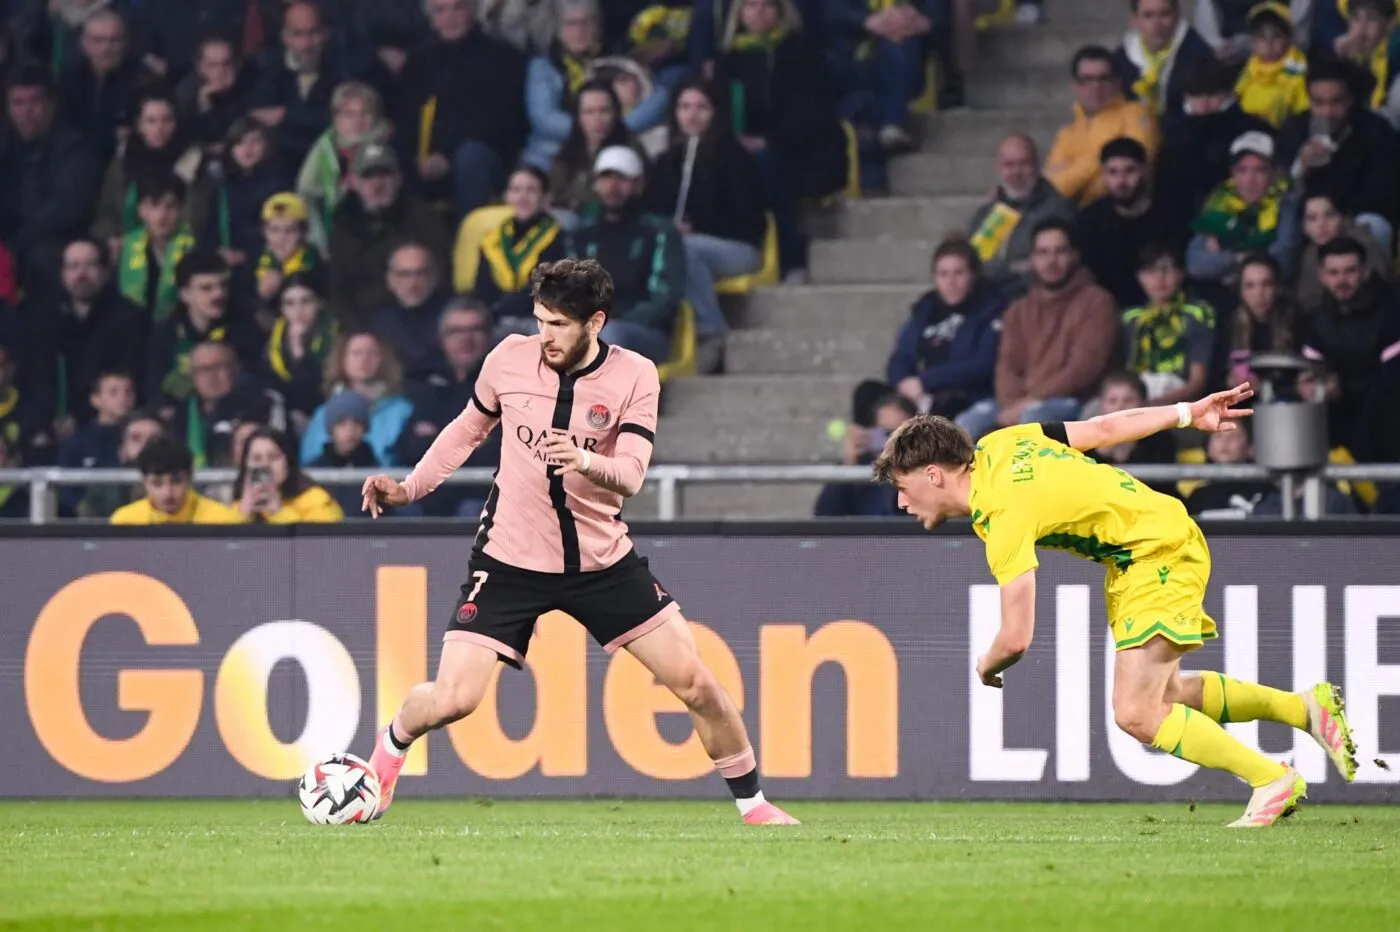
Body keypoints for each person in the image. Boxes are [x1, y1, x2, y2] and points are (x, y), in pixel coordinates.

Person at [359, 257, 798, 826]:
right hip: (509, 556)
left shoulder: (636, 374)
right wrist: (410, 487)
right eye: (540, 321)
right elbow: (468, 429)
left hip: (600, 560)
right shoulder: (507, 359)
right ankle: (388, 752)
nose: (545, 336)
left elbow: (634, 474)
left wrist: (585, 459)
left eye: (559, 324)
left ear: (595, 322)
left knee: (696, 682)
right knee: (453, 701)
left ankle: (755, 805)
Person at [871, 386, 1358, 826]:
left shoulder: (1001, 517)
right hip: (1138, 553)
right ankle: (1304, 709)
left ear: (933, 474)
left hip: (1154, 552)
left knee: (1136, 712)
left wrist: (986, 664)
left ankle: (1271, 778)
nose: (901, 503)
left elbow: (1016, 637)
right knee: (1171, 694)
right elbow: (1104, 430)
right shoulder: (1003, 442)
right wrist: (1187, 413)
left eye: (901, 487)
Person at [955, 220, 1119, 440]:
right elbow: (1007, 366)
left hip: (1075, 402)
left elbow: (1083, 369)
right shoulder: (1018, 309)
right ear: (1032, 259)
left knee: (1033, 420)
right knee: (964, 425)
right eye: (1042, 252)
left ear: (1074, 256)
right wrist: (1012, 404)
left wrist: (1029, 401)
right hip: (1017, 403)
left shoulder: (1097, 302)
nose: (1051, 261)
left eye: (1059, 251)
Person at [644, 78, 765, 369]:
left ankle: (711, 330)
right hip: (683, 245)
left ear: (715, 113)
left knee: (682, 248)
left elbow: (747, 218)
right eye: (685, 107)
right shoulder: (666, 161)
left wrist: (697, 226)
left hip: (737, 248)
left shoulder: (735, 158)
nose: (692, 114)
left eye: (701, 107)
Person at [564, 146, 685, 363]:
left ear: (638, 184)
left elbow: (665, 298)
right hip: (590, 329)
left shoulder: (659, 232)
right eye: (606, 178)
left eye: (622, 178)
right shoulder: (580, 236)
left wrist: (611, 319)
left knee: (609, 337)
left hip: (643, 333)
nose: (613, 186)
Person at [523, 0, 668, 170]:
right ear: (558, 30)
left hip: (618, 148)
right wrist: (598, 127)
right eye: (571, 24)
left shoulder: (619, 59)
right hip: (555, 150)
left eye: (586, 23)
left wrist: (618, 127)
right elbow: (544, 119)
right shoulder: (544, 67)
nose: (579, 31)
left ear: (597, 26)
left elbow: (661, 96)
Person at [1276, 57, 1400, 253]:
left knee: (1375, 227)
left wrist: (1337, 219)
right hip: (1308, 217)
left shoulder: (1375, 130)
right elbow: (1280, 189)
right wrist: (1301, 167)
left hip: (1356, 215)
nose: (1327, 112)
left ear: (1350, 99)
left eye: (1336, 102)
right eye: (1319, 103)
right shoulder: (1294, 129)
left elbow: (1384, 191)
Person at [886, 237, 1006, 419]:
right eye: (943, 274)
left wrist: (925, 381)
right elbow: (901, 356)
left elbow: (983, 365)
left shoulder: (991, 308)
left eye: (959, 273)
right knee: (869, 394)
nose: (951, 282)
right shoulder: (926, 309)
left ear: (973, 275)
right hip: (922, 395)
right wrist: (903, 382)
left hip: (969, 397)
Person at [1045, 46, 1159, 207]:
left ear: (1117, 82)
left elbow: (1131, 172)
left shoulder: (1136, 114)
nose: (1095, 87)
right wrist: (1101, 160)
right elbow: (1053, 188)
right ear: (1075, 86)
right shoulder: (1067, 133)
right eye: (1087, 79)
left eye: (1103, 78)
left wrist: (1073, 169)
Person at [968, 134, 1075, 298]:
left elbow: (1050, 269)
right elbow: (976, 267)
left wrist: (1005, 270)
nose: (1016, 172)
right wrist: (1014, 268)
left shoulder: (1059, 210)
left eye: (1024, 164)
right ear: (998, 168)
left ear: (1037, 166)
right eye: (1009, 165)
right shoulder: (987, 214)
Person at [1077, 137, 1169, 309]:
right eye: (1113, 172)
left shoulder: (1170, 216)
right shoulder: (1089, 219)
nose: (1121, 181)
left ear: (1144, 170)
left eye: (1129, 171)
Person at [299, 331, 414, 465]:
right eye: (356, 353)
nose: (364, 359)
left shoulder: (403, 412)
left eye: (372, 353)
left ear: (383, 360)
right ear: (342, 360)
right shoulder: (323, 414)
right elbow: (309, 461)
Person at [472, 165, 566, 328]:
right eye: (516, 190)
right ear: (507, 196)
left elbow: (549, 290)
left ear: (545, 197)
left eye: (531, 190)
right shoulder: (492, 240)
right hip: (495, 318)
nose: (523, 197)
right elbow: (481, 288)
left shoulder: (558, 237)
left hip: (540, 320)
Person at [1121, 244, 1216, 404]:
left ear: (1181, 273)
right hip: (1135, 397)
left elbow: (1197, 382)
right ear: (1139, 277)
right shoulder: (1131, 317)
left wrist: (1154, 405)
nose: (1159, 278)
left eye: (1167, 269)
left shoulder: (1197, 313)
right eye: (1151, 271)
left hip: (1183, 402)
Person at [814, 391, 914, 517]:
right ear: (872, 434)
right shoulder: (858, 470)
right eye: (886, 434)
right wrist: (847, 466)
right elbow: (823, 516)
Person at [1112, 0, 1215, 119]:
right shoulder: (1122, 58)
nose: (1157, 24)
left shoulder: (1199, 54)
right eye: (1148, 16)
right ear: (1134, 20)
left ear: (1177, 15)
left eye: (1164, 14)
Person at [110, 433, 243, 524]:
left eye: (176, 481)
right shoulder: (125, 521)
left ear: (190, 479)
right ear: (144, 482)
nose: (167, 493)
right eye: (157, 483)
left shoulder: (221, 520)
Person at [233, 426, 342, 522]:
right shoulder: (238, 506)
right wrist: (242, 516)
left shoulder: (317, 500)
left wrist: (278, 512)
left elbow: (320, 543)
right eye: (257, 459)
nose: (265, 465)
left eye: (273, 457)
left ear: (288, 462)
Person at [1233, 2, 1309, 128]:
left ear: (1289, 39)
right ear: (1252, 42)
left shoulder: (1298, 69)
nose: (1269, 44)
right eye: (1262, 37)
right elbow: (1237, 95)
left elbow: (1303, 111)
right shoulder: (1251, 67)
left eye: (1277, 36)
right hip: (1246, 126)